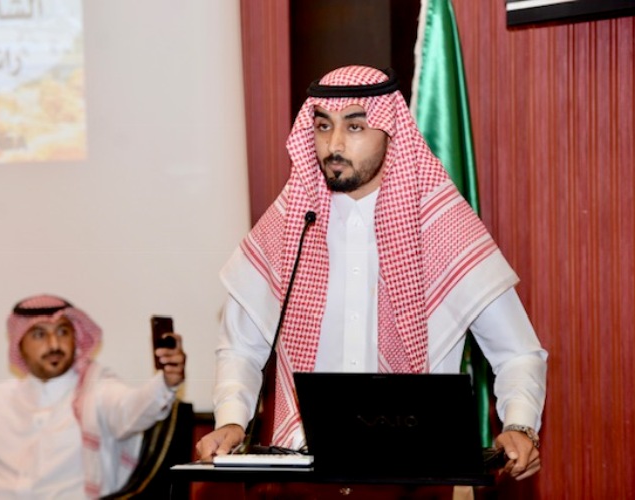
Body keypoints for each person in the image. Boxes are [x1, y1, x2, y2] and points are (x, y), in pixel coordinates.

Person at [196, 65, 547, 481]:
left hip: (420, 475)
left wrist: (520, 424)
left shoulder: (442, 226)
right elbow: (241, 347)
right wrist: (232, 419)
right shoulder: (292, 223)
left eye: (355, 126)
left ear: (390, 131)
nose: (334, 144)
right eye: (323, 126)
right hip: (305, 477)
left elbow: (517, 353)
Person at [0, 294, 186, 499]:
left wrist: (166, 382)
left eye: (63, 332)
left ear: (76, 339)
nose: (54, 344)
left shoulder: (98, 390)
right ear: (19, 346)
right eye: (39, 335)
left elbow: (133, 408)